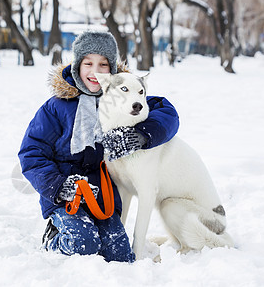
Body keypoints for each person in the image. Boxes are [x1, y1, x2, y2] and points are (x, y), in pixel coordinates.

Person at [18, 31, 179, 262]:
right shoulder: (56, 107)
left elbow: (167, 112)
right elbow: (31, 153)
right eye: (88, 63)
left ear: (112, 69)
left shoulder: (124, 93)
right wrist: (58, 186)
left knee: (120, 254)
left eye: (103, 64)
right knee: (84, 244)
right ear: (77, 66)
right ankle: (53, 237)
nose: (95, 71)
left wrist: (142, 134)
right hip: (66, 197)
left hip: (103, 197)